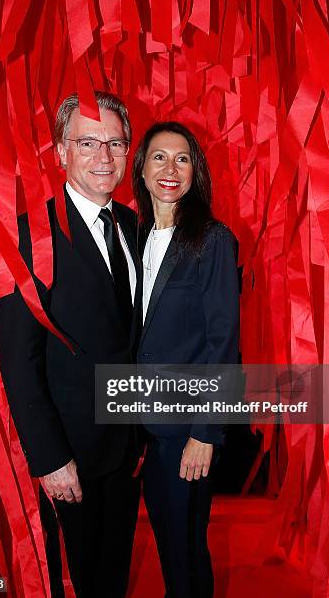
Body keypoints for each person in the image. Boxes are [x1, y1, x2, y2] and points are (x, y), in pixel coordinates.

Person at [0, 92, 141, 597]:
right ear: (60, 151)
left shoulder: (133, 226)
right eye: (88, 143)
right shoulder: (29, 236)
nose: (105, 157)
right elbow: (18, 359)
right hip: (70, 460)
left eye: (116, 143)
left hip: (127, 452)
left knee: (112, 581)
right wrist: (50, 458)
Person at [132, 121, 240, 597]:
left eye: (182, 158)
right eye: (159, 157)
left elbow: (223, 341)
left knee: (185, 552)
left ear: (196, 171)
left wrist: (206, 431)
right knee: (169, 547)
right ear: (141, 167)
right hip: (141, 427)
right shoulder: (132, 237)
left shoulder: (211, 240)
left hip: (185, 430)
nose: (170, 168)